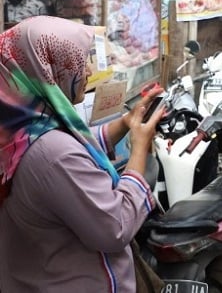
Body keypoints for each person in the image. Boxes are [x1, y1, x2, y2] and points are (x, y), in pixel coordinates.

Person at [0, 16, 165, 292]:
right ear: (46, 70)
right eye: (77, 60)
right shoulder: (52, 153)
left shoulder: (22, 128)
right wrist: (139, 149)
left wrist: (125, 123)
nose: (88, 69)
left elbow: (75, 153)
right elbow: (115, 227)